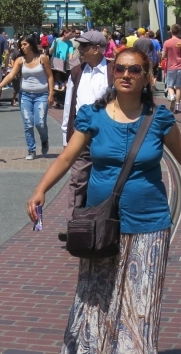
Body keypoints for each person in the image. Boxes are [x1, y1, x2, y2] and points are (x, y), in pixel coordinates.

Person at [28, 47, 181, 353]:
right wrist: (41, 188)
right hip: (101, 224)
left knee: (140, 302)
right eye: (121, 69)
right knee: (95, 296)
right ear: (113, 74)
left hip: (149, 224)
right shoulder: (93, 115)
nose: (126, 74)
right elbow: (67, 157)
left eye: (135, 70)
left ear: (147, 77)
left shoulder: (159, 117)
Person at [58, 29, 112, 232]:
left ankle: (105, 223)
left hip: (108, 135)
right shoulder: (77, 72)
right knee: (78, 179)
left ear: (97, 49)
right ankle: (73, 225)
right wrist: (66, 135)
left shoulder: (112, 71)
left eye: (84, 46)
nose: (79, 50)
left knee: (107, 179)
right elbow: (69, 104)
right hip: (81, 134)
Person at [0, 34, 55, 160]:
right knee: (28, 123)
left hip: (41, 95)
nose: (22, 47)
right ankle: (31, 150)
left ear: (31, 45)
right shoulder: (20, 60)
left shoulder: (42, 58)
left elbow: (50, 76)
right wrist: (0, 86)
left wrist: (51, 94)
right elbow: (11, 75)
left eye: (25, 44)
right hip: (25, 96)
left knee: (40, 123)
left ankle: (44, 140)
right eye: (21, 45)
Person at [162, 24, 181, 113]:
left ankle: (172, 96)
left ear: (171, 31)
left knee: (170, 85)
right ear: (179, 32)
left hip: (170, 67)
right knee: (179, 87)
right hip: (180, 66)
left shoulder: (167, 43)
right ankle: (177, 107)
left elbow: (163, 55)